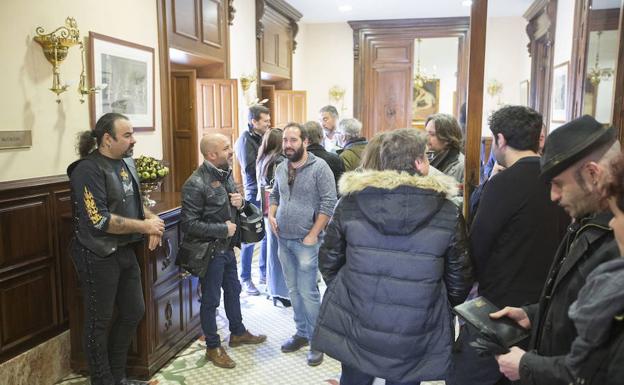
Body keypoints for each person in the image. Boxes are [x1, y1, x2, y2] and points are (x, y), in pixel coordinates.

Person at [312, 128, 472, 385]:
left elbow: (329, 261)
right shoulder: (447, 211)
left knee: (354, 378)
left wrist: (351, 293)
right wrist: (432, 301)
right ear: (419, 163)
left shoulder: (351, 203)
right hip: (415, 322)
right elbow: (460, 279)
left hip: (358, 316)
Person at [492, 115, 621, 383]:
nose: (553, 196)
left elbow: (601, 369)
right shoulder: (588, 220)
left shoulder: (616, 242)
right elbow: (581, 301)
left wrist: (527, 366)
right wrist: (533, 314)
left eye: (558, 183)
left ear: (593, 174)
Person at [450, 106, 569, 385]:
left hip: (499, 308)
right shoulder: (561, 178)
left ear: (500, 140)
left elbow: (476, 246)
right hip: (547, 308)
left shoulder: (503, 184)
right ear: (539, 138)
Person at [67, 112, 165, 385]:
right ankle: (103, 380)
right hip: (95, 252)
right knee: (99, 321)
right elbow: (99, 219)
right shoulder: (87, 169)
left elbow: (133, 202)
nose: (134, 140)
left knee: (134, 311)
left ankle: (118, 377)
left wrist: (150, 217)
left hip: (124, 249)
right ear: (107, 139)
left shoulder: (126, 162)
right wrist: (144, 227)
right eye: (127, 135)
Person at [180, 134, 266, 369]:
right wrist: (222, 229)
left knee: (233, 290)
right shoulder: (195, 183)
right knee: (210, 300)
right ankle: (212, 346)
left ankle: (237, 332)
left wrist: (241, 203)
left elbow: (232, 207)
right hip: (209, 252)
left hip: (228, 249)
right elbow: (188, 224)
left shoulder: (225, 173)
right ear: (211, 155)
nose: (231, 151)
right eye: (226, 148)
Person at [268, 122, 337, 366]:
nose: (287, 145)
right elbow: (275, 194)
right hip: (283, 240)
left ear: (305, 142)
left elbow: (330, 203)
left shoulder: (320, 168)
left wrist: (313, 233)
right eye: (285, 140)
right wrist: (271, 214)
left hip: (307, 241)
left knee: (308, 292)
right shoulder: (280, 167)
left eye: (293, 140)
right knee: (293, 290)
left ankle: (317, 341)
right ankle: (301, 333)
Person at [234, 105, 270, 295]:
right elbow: (249, 168)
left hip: (266, 191)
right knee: (250, 237)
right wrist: (267, 153)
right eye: (265, 121)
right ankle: (246, 278)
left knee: (266, 235)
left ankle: (263, 272)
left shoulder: (263, 136)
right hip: (252, 193)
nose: (268, 123)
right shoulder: (243, 141)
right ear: (253, 122)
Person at [256, 128, 290, 307]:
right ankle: (282, 293)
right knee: (281, 254)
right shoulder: (280, 161)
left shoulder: (262, 159)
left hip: (267, 211)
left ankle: (273, 290)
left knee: (272, 252)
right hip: (279, 210)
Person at [303, 120, 344, 188]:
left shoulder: (297, 161)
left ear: (303, 139)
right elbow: (341, 188)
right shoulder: (336, 159)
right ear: (321, 137)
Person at [425, 113, 465, 183]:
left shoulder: (462, 165)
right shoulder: (427, 158)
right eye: (426, 133)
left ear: (447, 137)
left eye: (432, 134)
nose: (426, 138)